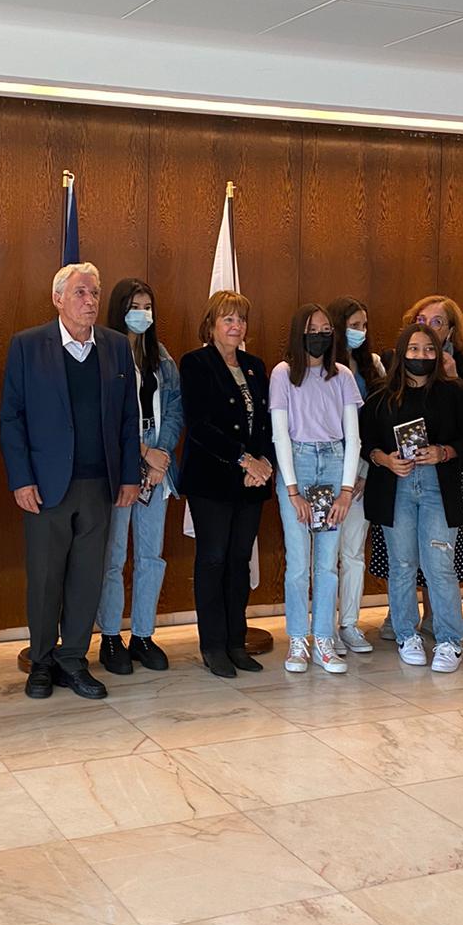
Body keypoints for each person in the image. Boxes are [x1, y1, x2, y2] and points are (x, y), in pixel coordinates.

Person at [1, 263, 140, 702]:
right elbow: (12, 418)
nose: (90, 301)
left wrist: (130, 475)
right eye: (80, 292)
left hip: (100, 484)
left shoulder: (116, 346)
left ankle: (74, 659)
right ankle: (41, 661)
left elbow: (128, 417)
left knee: (87, 577)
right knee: (45, 578)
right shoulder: (28, 345)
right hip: (46, 487)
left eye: (95, 293)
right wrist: (21, 479)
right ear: (58, 298)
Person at [361, 322, 463, 673]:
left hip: (438, 488)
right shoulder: (381, 396)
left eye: (429, 349)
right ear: (402, 353)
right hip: (395, 488)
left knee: (439, 565)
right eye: (414, 349)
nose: (421, 356)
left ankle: (449, 640)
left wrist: (444, 452)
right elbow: (367, 443)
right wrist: (385, 460)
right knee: (401, 565)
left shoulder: (454, 393)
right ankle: (406, 635)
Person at [179, 291, 275, 679]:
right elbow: (199, 426)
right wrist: (244, 459)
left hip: (252, 482)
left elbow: (266, 422)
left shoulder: (255, 366)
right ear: (211, 325)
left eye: (241, 319)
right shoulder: (195, 364)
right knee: (213, 559)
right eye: (228, 319)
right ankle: (213, 646)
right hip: (211, 480)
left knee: (239, 560)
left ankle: (236, 641)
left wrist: (263, 462)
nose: (237, 326)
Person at [96, 278, 182, 675]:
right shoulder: (105, 353)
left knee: (151, 555)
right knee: (113, 557)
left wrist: (160, 454)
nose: (142, 314)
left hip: (157, 465)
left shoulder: (160, 356)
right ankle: (111, 636)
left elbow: (176, 407)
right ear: (120, 310)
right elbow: (107, 416)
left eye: (147, 307)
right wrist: (143, 452)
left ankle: (143, 635)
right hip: (120, 463)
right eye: (134, 306)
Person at [271, 303, 361, 675]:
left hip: (334, 465)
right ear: (299, 333)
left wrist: (346, 491)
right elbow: (279, 434)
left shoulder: (342, 375)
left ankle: (324, 637)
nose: (320, 336)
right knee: (298, 563)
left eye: (326, 330)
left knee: (327, 564)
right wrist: (292, 491)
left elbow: (353, 437)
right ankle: (298, 638)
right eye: (312, 329)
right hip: (299, 462)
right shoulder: (282, 374)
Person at [327, 296, 385, 655]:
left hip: (362, 471)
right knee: (325, 555)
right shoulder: (318, 366)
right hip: (325, 470)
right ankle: (325, 626)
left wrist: (363, 470)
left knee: (352, 553)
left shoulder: (373, 366)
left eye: (364, 326)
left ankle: (349, 623)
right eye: (353, 326)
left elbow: (378, 422)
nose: (359, 332)